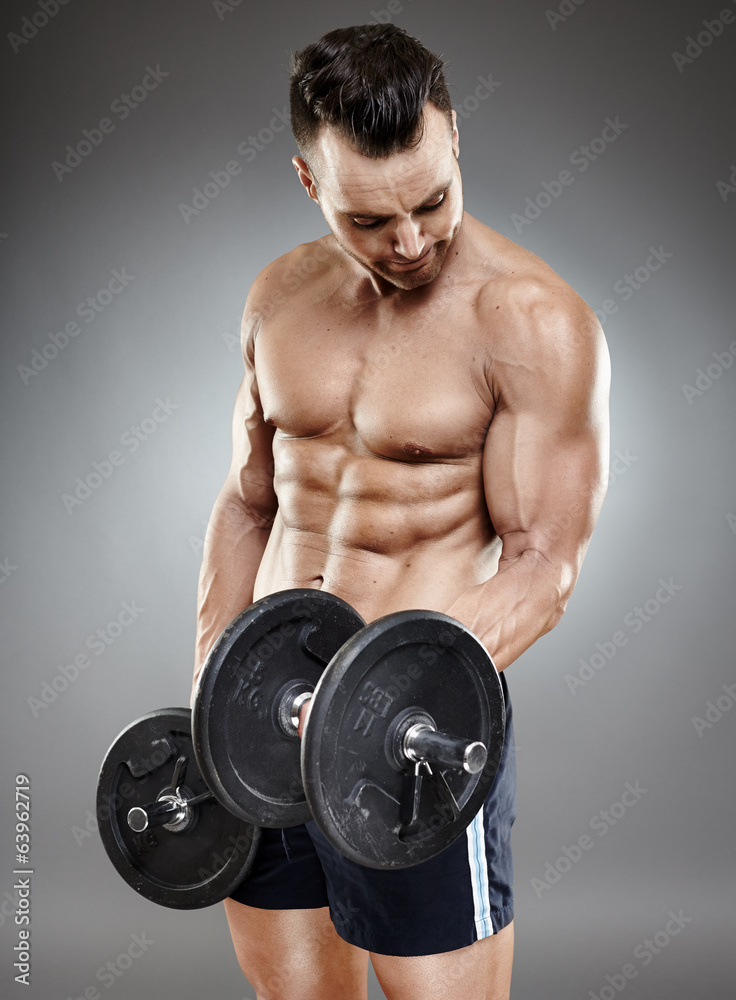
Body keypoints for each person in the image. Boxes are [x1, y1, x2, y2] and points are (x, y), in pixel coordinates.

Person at [190, 22, 610, 1000]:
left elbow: (542, 566)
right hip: (264, 713)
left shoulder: (534, 322)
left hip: (410, 730)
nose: (411, 240)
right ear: (309, 182)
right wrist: (215, 668)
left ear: (452, 137)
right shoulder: (279, 297)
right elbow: (248, 498)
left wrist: (372, 701)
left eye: (431, 202)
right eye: (370, 220)